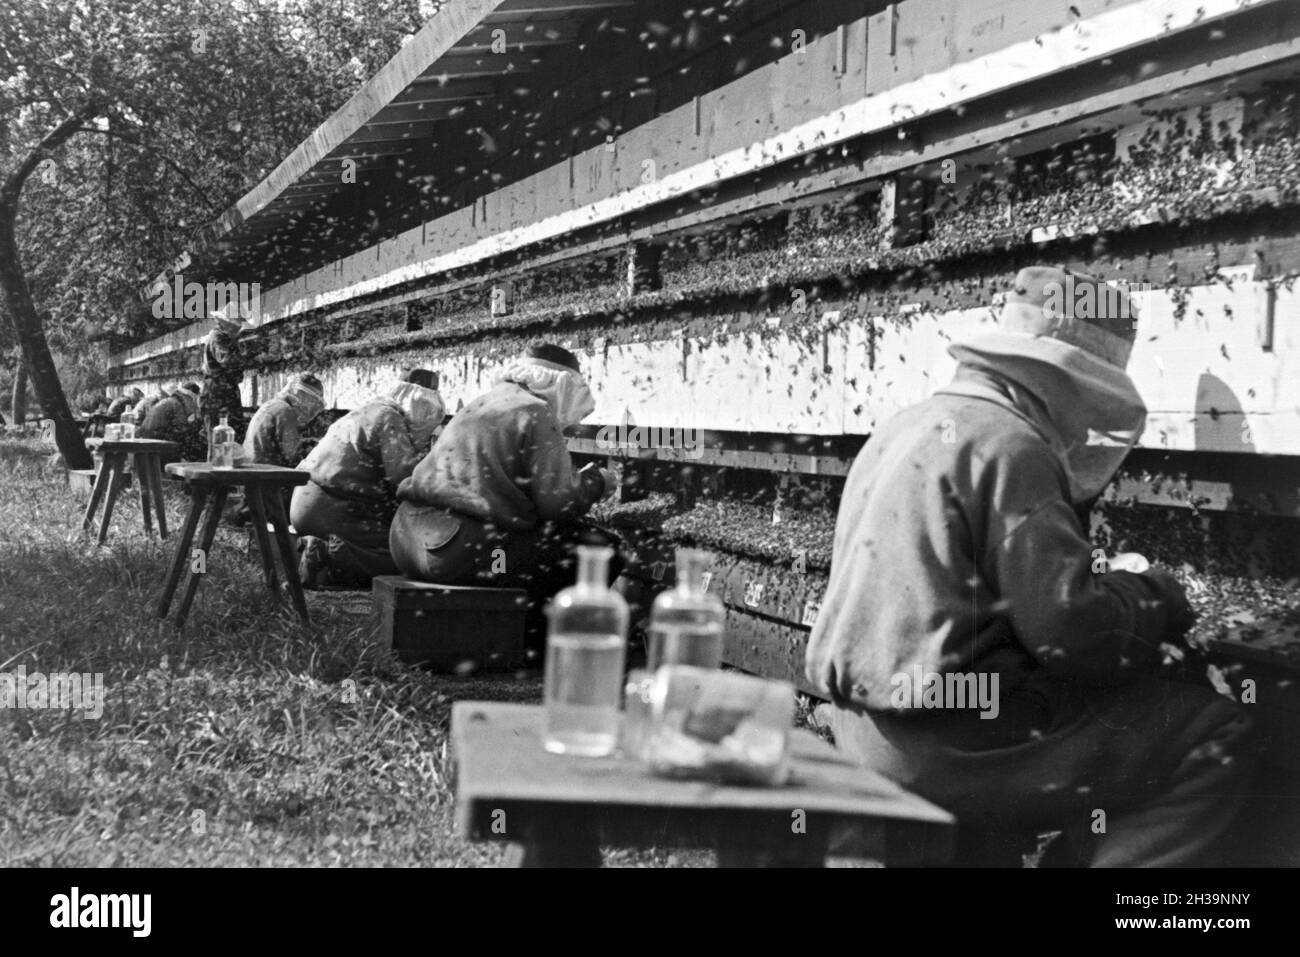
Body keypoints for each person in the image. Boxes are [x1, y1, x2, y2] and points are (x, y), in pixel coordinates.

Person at [804, 265, 1255, 867]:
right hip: (954, 737)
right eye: (1088, 397)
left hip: (865, 730)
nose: (1085, 420)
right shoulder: (1011, 446)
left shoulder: (902, 427)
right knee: (1209, 732)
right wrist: (1152, 595)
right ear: (1060, 379)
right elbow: (1075, 637)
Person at [389, 344, 618, 645]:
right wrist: (596, 481)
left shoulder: (483, 402)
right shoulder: (536, 411)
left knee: (521, 548)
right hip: (460, 552)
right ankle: (527, 641)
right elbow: (558, 504)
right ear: (561, 387)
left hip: (406, 540)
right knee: (600, 550)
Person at [291, 370, 444, 587]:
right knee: (405, 554)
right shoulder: (389, 418)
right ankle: (326, 552)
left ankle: (332, 564)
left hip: (308, 500)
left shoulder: (369, 411)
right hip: (329, 507)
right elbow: (402, 478)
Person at [243, 373, 326, 467]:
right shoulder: (286, 412)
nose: (312, 409)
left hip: (252, 468)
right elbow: (293, 457)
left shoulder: (272, 405)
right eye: (312, 401)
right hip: (266, 474)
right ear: (300, 394)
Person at [201, 316, 248, 441]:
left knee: (229, 436)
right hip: (218, 395)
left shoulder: (223, 338)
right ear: (226, 323)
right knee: (221, 438)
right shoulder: (218, 337)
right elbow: (229, 362)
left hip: (224, 393)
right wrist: (250, 357)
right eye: (236, 326)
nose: (238, 329)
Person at [137, 382, 204, 460]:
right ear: (191, 395)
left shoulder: (171, 401)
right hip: (156, 447)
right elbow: (181, 430)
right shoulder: (179, 404)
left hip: (145, 443)